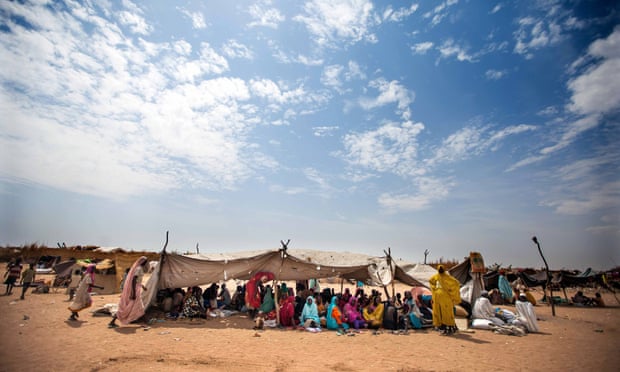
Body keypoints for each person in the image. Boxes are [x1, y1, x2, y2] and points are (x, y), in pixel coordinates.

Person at [108, 256, 148, 328]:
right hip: (134, 289)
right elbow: (133, 280)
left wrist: (142, 286)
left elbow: (137, 280)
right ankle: (146, 322)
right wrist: (133, 292)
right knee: (133, 306)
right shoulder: (138, 269)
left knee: (134, 306)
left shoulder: (139, 269)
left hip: (136, 288)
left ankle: (145, 321)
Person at [429, 265, 461, 335]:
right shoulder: (438, 277)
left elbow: (456, 283)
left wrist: (447, 290)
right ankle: (444, 328)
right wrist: (435, 289)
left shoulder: (445, 277)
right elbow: (456, 283)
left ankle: (449, 329)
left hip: (444, 297)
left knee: (446, 313)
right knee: (441, 312)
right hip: (440, 297)